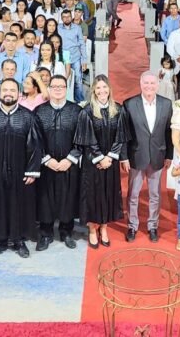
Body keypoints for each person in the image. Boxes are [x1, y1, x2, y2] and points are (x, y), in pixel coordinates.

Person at [0, 78, 44, 259]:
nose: (8, 93)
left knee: (19, 205)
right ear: (0, 92)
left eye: (12, 90)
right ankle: (0, 241)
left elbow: (35, 146)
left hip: (20, 172)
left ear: (18, 93)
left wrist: (32, 170)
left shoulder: (28, 116)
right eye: (5, 89)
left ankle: (19, 241)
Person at [120, 71, 174, 243]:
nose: (149, 86)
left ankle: (153, 226)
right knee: (133, 194)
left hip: (158, 156)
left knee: (155, 195)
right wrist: (124, 157)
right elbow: (124, 133)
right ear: (140, 84)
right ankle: (132, 226)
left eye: (152, 83)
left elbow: (168, 131)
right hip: (136, 156)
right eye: (146, 83)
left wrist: (170, 155)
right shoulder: (129, 104)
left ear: (157, 85)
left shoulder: (166, 104)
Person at [76, 75, 129, 248]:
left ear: (109, 89)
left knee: (108, 194)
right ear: (93, 91)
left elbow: (120, 136)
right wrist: (100, 157)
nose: (102, 91)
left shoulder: (118, 110)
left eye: (104, 87)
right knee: (93, 196)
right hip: (92, 163)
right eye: (98, 88)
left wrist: (110, 157)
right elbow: (87, 139)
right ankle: (92, 229)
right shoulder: (87, 112)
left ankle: (104, 228)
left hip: (110, 163)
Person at [32, 75, 82, 250]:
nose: (58, 89)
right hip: (47, 164)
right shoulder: (39, 111)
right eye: (54, 86)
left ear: (66, 88)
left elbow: (82, 138)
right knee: (46, 198)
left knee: (68, 197)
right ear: (49, 88)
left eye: (61, 86)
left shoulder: (76, 111)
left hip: (69, 164)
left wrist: (70, 159)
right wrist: (46, 159)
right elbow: (34, 139)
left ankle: (66, 232)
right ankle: (45, 233)